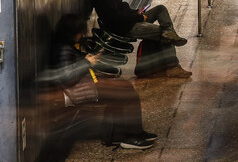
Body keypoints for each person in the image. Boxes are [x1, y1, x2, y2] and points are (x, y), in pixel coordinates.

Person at [50, 14, 157, 149]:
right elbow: (67, 76)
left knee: (124, 87)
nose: (82, 36)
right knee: (127, 95)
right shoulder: (63, 49)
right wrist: (86, 62)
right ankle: (131, 136)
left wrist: (86, 59)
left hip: (85, 85)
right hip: (80, 91)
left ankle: (118, 135)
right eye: (81, 32)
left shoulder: (64, 45)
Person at [91, 0, 192, 78]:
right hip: (127, 27)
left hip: (131, 20)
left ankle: (169, 30)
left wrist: (136, 12)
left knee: (160, 9)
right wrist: (139, 17)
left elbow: (122, 12)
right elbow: (118, 18)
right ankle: (172, 67)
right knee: (162, 33)